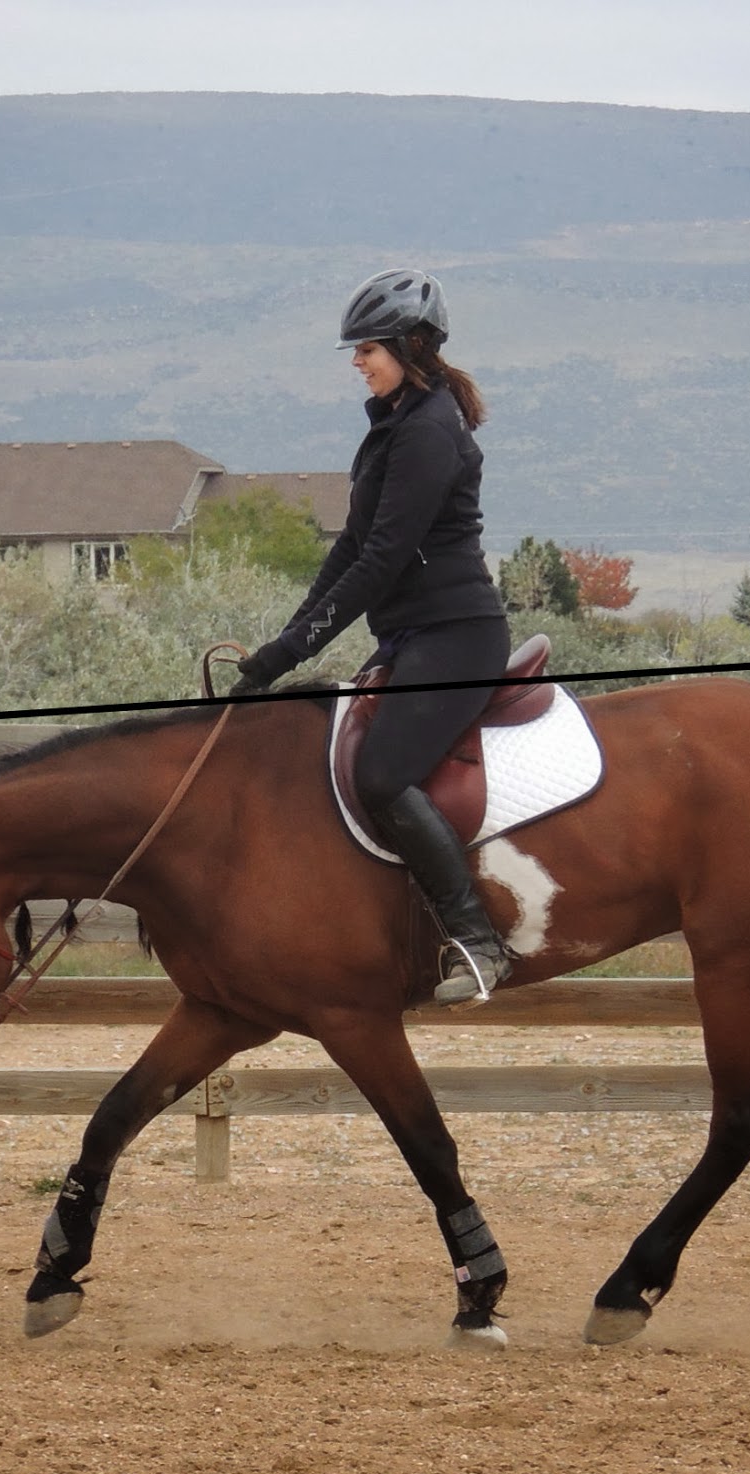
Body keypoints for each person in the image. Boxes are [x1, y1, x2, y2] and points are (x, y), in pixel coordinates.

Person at [229, 268, 513, 1005]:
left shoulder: (428, 430)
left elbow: (383, 561)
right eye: (356, 350)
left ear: (410, 346)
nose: (357, 361)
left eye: (368, 348)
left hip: (456, 635)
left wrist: (292, 650)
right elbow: (351, 549)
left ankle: (478, 940)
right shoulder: (394, 426)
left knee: (381, 775)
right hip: (412, 634)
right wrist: (280, 647)